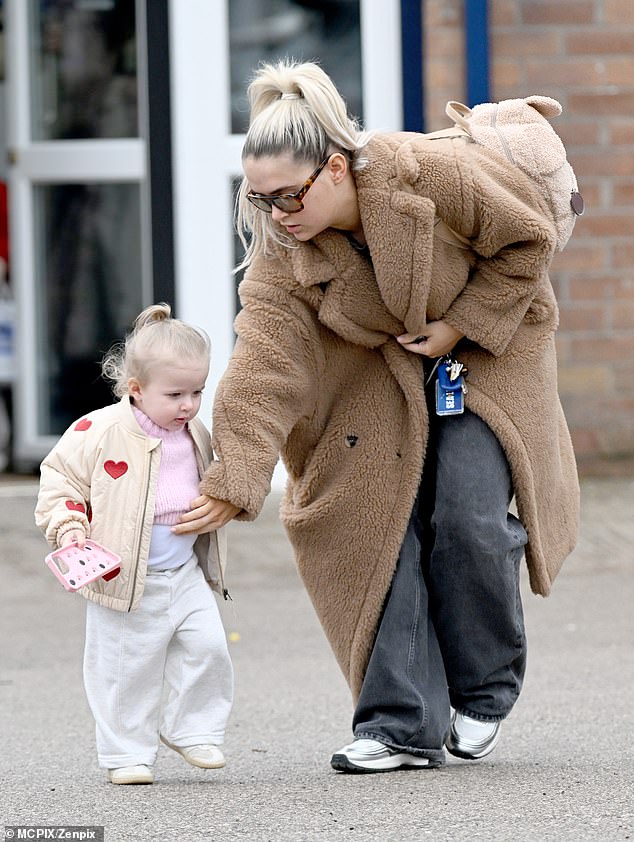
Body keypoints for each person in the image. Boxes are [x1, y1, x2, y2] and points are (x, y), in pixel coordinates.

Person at [173, 60, 580, 773]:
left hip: (489, 346)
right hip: (380, 376)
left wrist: (460, 325)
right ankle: (399, 724)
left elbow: (528, 242)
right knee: (373, 519)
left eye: (290, 195)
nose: (279, 214)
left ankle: (483, 690)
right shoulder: (282, 251)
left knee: (466, 513)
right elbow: (262, 364)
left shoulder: (426, 172)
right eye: (262, 200)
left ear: (335, 168)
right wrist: (233, 476)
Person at [35, 304, 233, 785]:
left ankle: (193, 729)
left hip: (184, 573)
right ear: (136, 389)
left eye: (197, 392)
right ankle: (127, 755)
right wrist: (69, 527)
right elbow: (59, 478)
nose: (188, 405)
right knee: (124, 671)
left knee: (209, 647)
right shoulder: (98, 430)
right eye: (175, 394)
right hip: (121, 578)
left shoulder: (194, 433)